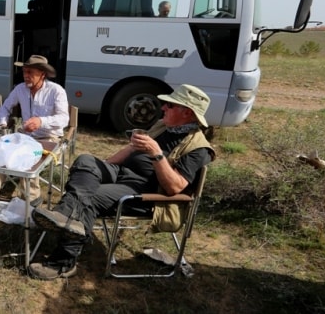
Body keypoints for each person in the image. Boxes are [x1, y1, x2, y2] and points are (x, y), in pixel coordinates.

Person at [28, 84, 215, 280]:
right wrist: (100, 168)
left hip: (145, 191)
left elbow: (174, 187)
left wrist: (156, 154)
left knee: (91, 197)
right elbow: (131, 150)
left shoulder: (199, 149)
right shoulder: (163, 126)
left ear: (187, 113)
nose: (163, 108)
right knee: (86, 161)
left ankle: (63, 262)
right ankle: (67, 217)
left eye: (170, 105)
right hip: (121, 173)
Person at [0, 55, 68, 219]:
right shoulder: (20, 88)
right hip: (26, 136)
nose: (26, 75)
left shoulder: (56, 91)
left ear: (42, 74)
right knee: (3, 157)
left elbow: (64, 119)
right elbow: (5, 108)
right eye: (24, 72)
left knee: (25, 156)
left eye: (30, 72)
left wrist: (41, 121)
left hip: (50, 138)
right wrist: (4, 124)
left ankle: (31, 198)